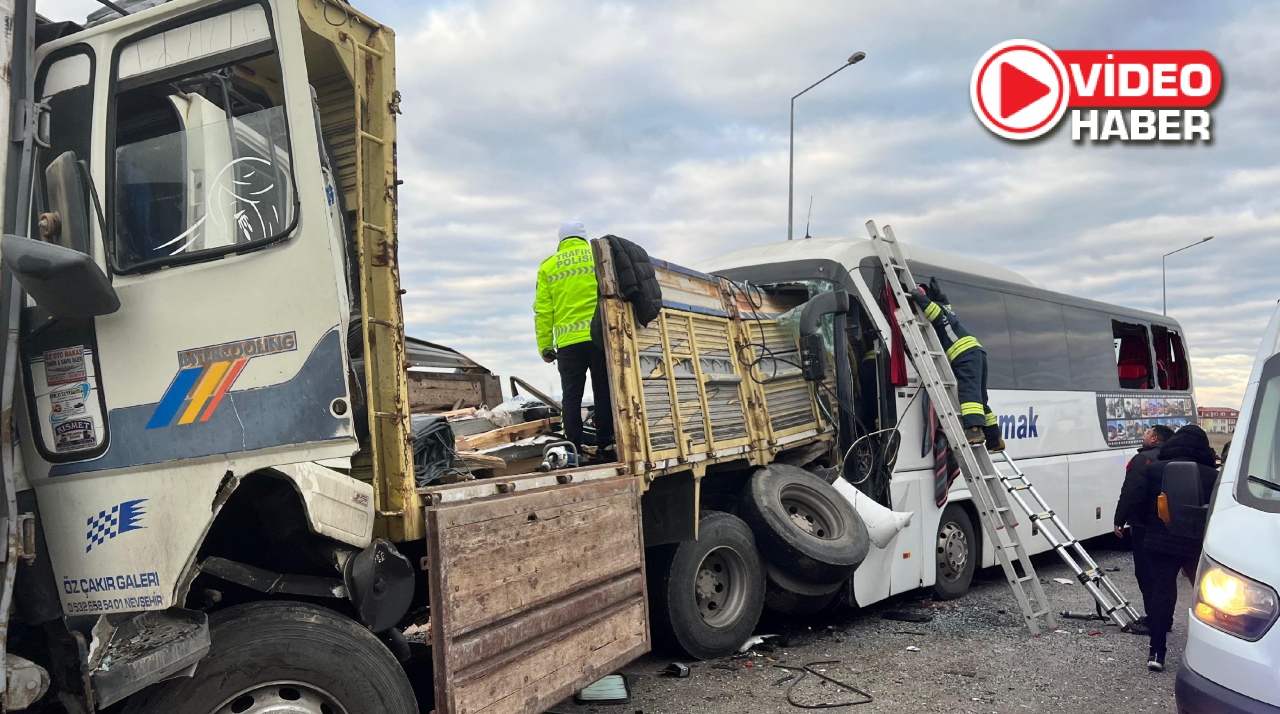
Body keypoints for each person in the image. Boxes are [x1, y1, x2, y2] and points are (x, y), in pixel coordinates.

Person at [1133, 424, 1218, 672]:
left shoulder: (1155, 468)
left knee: (1162, 594)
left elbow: (1139, 501)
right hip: (1195, 543)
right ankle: (1210, 652)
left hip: (1160, 541)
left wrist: (1146, 527)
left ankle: (1157, 652)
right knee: (1205, 595)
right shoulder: (1212, 476)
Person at [534, 221, 614, 455]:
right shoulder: (597, 257)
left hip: (568, 345)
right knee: (603, 392)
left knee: (571, 397)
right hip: (599, 339)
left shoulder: (548, 266)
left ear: (560, 240)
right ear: (582, 237)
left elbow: (543, 311)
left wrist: (545, 346)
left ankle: (574, 447)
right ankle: (606, 444)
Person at [907, 280, 1003, 452]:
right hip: (977, 351)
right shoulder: (947, 308)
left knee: (969, 392)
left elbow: (931, 309)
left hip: (963, 353)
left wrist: (916, 296)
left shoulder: (938, 311)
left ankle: (974, 431)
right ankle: (994, 439)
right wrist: (938, 293)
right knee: (981, 397)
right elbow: (943, 302)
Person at [1112, 423, 1175, 635]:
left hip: (1144, 525)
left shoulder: (1142, 460)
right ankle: (1165, 618)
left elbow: (1131, 492)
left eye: (1148, 433)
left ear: (1155, 439)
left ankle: (1154, 620)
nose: (1145, 435)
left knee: (1146, 574)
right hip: (1169, 525)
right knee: (1165, 577)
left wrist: (1119, 519)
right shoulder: (1174, 459)